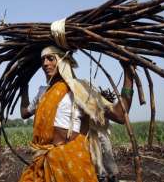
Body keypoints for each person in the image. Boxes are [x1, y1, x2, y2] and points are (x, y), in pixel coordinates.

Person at [19, 45, 134, 182]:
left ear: (63, 61)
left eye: (50, 58)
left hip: (72, 162)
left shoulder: (80, 90)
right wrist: (24, 87)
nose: (45, 64)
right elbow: (25, 113)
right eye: (43, 60)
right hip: (42, 163)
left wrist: (128, 74)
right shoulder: (42, 92)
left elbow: (120, 115)